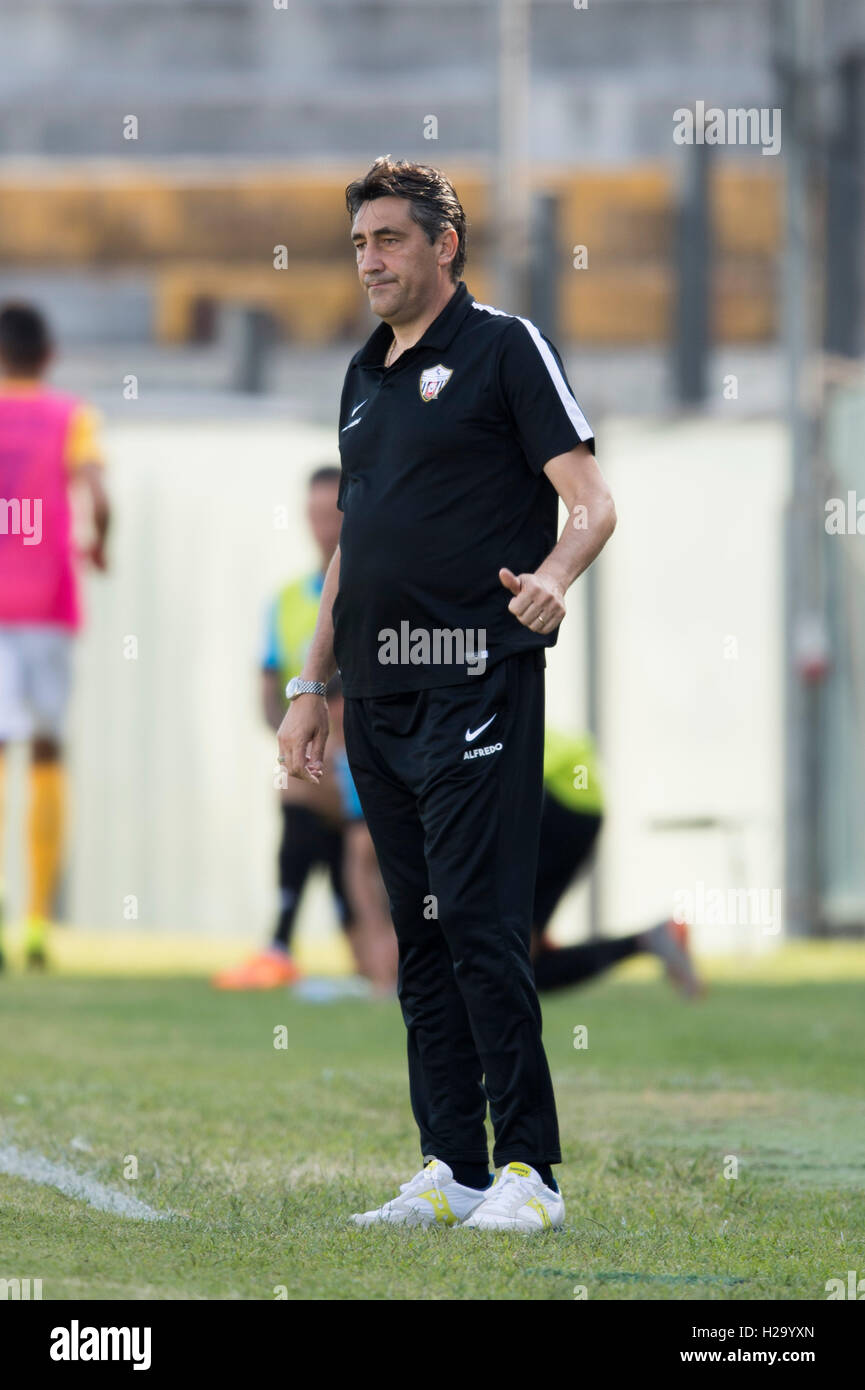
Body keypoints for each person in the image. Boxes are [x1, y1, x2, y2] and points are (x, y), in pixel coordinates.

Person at [278, 157, 616, 1232]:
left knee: (477, 922)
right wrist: (310, 683)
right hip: (373, 696)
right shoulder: (363, 375)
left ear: (443, 245)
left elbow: (593, 504)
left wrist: (553, 583)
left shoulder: (505, 350)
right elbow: (352, 553)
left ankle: (530, 1173)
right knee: (416, 937)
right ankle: (451, 1168)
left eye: (389, 239)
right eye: (360, 244)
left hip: (476, 676)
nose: (370, 261)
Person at [212, 468, 396, 995]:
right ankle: (282, 943)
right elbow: (269, 691)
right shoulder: (288, 599)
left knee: (366, 867)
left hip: (371, 753)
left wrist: (321, 707)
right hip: (323, 768)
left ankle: (299, 941)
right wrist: (292, 737)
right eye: (313, 517)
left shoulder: (379, 586)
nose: (322, 528)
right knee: (299, 790)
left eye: (331, 516)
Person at [0, 302, 109, 971]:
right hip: (45, 603)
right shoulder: (72, 416)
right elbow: (98, 494)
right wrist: (101, 544)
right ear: (49, 356)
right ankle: (38, 921)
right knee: (46, 750)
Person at [531, 727, 703, 996]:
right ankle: (649, 940)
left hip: (559, 805)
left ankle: (648, 940)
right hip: (578, 806)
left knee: (514, 959)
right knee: (522, 962)